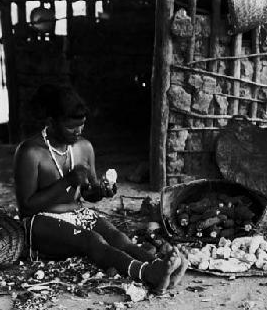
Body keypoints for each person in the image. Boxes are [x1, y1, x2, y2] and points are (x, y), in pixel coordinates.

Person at [13, 84, 187, 295]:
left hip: (78, 213)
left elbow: (88, 193)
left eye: (82, 125)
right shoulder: (30, 152)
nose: (78, 131)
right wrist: (67, 181)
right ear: (51, 122)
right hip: (39, 221)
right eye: (71, 127)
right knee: (92, 241)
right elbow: (26, 207)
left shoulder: (84, 147)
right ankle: (148, 273)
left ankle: (162, 265)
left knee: (117, 236)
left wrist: (102, 191)